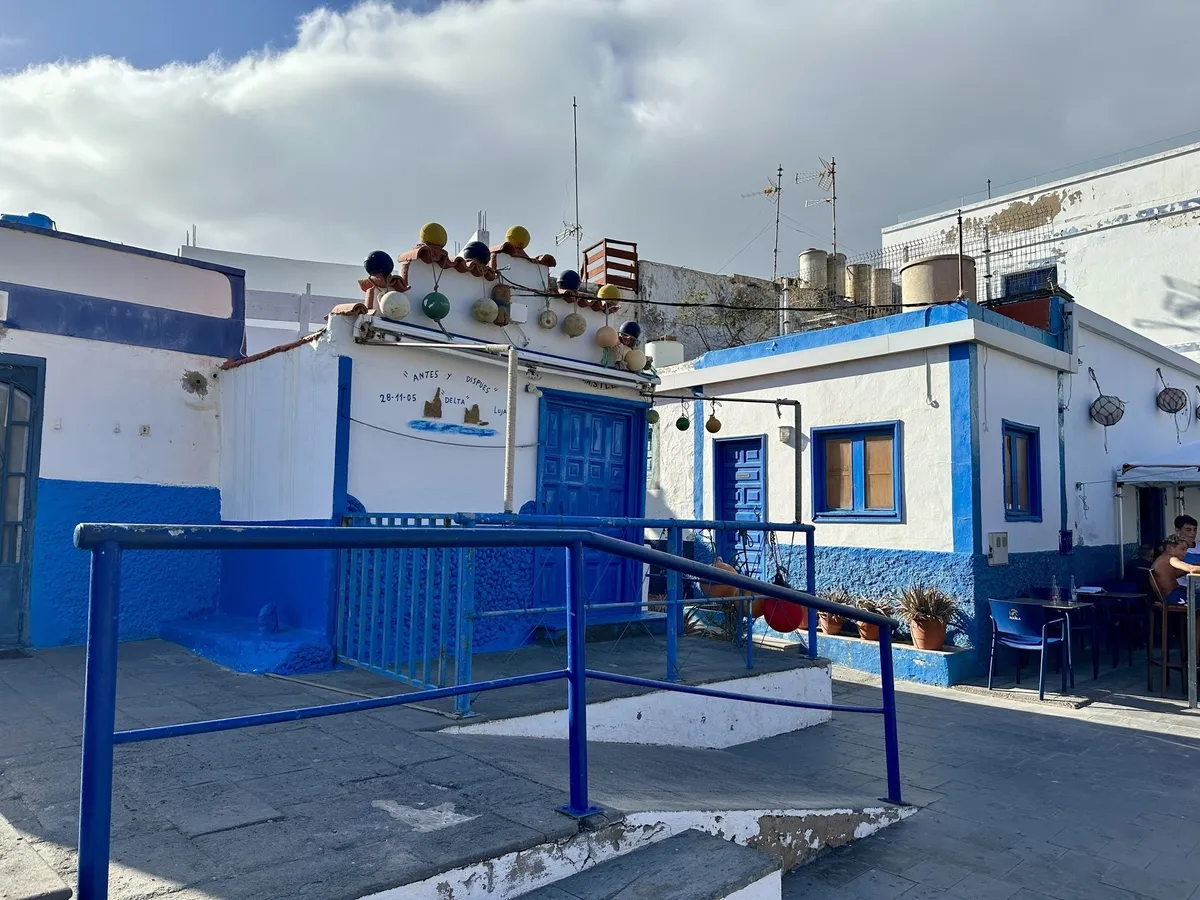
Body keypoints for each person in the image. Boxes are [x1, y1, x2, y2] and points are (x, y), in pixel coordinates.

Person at [1151, 536, 1200, 604]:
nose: (1185, 552)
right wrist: (1194, 568)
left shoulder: (1162, 559)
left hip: (1171, 596)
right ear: (1170, 549)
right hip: (1174, 597)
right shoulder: (1171, 559)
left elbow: (1181, 572)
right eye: (1182, 549)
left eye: (1186, 549)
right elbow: (1191, 569)